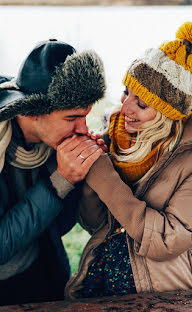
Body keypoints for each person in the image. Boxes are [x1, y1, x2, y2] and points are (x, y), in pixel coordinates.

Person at [65, 22, 192, 299]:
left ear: (168, 113)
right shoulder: (121, 134)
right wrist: (91, 172)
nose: (126, 107)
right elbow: (96, 224)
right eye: (126, 91)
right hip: (110, 273)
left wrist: (103, 176)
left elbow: (169, 239)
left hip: (172, 288)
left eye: (142, 104)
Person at [0, 38, 106, 305]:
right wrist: (61, 180)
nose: (83, 128)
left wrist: (83, 176)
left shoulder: (49, 144)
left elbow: (57, 226)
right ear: (32, 111)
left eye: (85, 116)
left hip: (43, 273)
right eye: (72, 118)